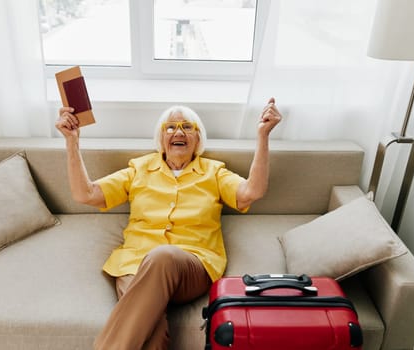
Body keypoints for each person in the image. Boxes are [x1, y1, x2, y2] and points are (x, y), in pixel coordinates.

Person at [55, 98, 282, 350]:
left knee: (162, 256)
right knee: (153, 333)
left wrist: (263, 136)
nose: (178, 131)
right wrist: (71, 141)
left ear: (198, 139)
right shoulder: (138, 169)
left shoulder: (214, 172)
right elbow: (86, 194)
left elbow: (252, 191)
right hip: (135, 267)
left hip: (191, 266)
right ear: (160, 138)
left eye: (187, 127)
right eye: (170, 127)